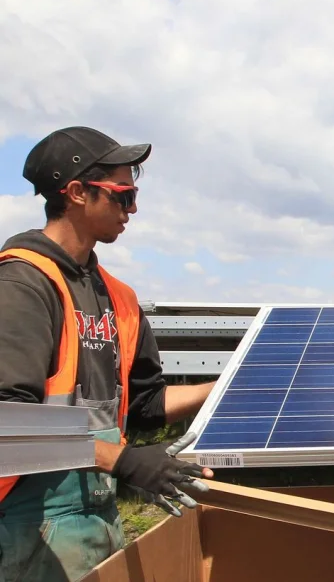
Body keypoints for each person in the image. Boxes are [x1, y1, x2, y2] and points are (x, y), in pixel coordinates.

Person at [0, 127, 216, 581]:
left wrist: (224, 388)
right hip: (24, 519)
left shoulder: (118, 297)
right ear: (77, 192)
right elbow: (9, 426)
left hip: (97, 508)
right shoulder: (22, 285)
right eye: (123, 195)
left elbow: (145, 406)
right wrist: (124, 461)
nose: (132, 209)